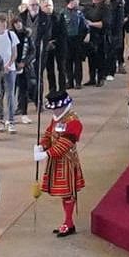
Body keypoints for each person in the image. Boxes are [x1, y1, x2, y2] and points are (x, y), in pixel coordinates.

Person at [34, 90, 86, 237]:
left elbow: (65, 144)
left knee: (68, 193)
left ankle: (68, 223)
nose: (54, 111)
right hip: (56, 161)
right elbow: (49, 134)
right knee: (64, 193)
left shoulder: (73, 121)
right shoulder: (56, 118)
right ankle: (67, 222)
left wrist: (46, 153)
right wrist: (42, 145)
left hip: (67, 162)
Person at [0, 14, 20, 132]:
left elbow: (14, 53)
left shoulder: (11, 35)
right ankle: (0, 119)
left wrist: (8, 65)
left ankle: (11, 120)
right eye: (0, 22)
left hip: (10, 69)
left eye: (4, 22)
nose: (3, 24)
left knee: (10, 95)